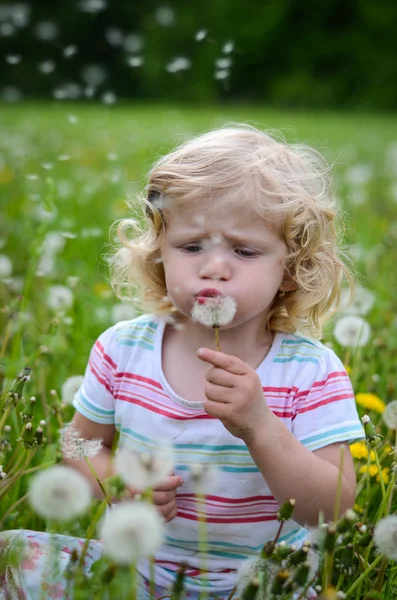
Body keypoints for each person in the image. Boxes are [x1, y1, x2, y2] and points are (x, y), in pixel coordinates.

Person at [1, 124, 365, 599]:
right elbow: (77, 444)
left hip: (262, 582)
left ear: (292, 272)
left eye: (244, 250)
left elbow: (331, 508)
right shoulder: (122, 349)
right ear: (159, 256)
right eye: (191, 246)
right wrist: (119, 485)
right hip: (132, 570)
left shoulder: (310, 372)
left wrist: (260, 425)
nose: (213, 266)